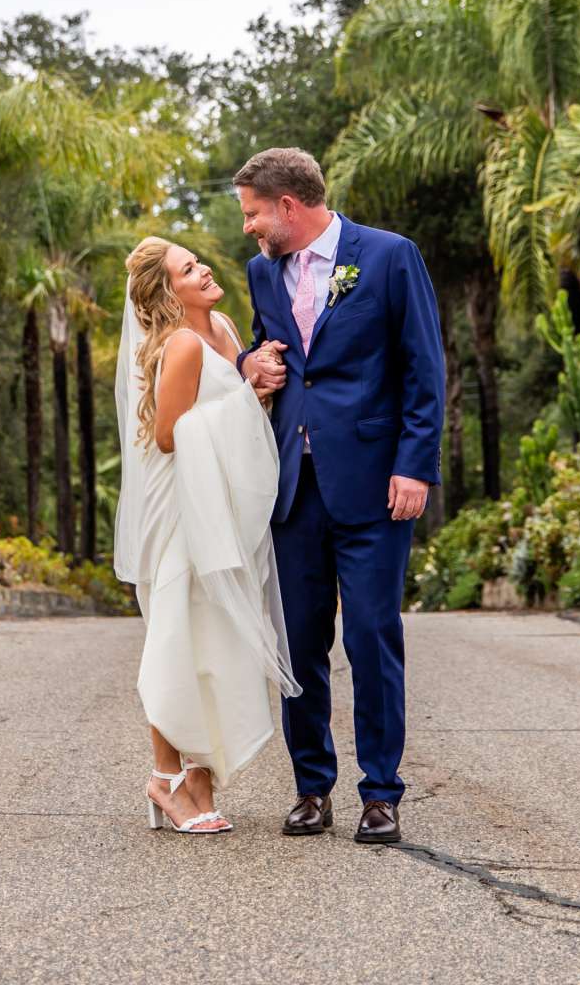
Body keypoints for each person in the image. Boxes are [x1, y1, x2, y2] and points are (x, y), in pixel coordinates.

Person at [233, 146, 446, 845]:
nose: (248, 228)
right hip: (294, 487)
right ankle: (311, 787)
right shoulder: (263, 272)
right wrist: (247, 362)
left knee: (371, 637)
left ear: (289, 206)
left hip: (377, 486)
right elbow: (273, 355)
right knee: (300, 645)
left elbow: (423, 367)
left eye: (253, 213)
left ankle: (381, 793)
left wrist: (414, 467)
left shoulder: (387, 257)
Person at [111, 235, 298, 835]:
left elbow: (240, 406)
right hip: (185, 511)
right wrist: (246, 397)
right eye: (187, 269)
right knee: (180, 636)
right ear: (169, 294)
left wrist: (257, 381)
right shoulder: (185, 344)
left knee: (216, 638)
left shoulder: (220, 324)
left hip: (222, 501)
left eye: (197, 261)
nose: (203, 269)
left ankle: (200, 778)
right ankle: (165, 779)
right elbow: (169, 435)